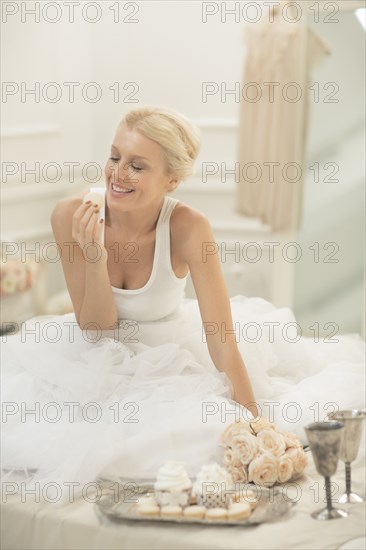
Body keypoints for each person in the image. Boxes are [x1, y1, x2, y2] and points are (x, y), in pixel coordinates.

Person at [1, 106, 365, 503]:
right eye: (115, 156)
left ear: (171, 180)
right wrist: (93, 255)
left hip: (169, 353)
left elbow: (222, 341)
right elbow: (96, 328)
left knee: (206, 438)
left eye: (137, 166)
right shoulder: (71, 215)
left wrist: (257, 425)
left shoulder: (189, 227)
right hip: (92, 355)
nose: (117, 174)